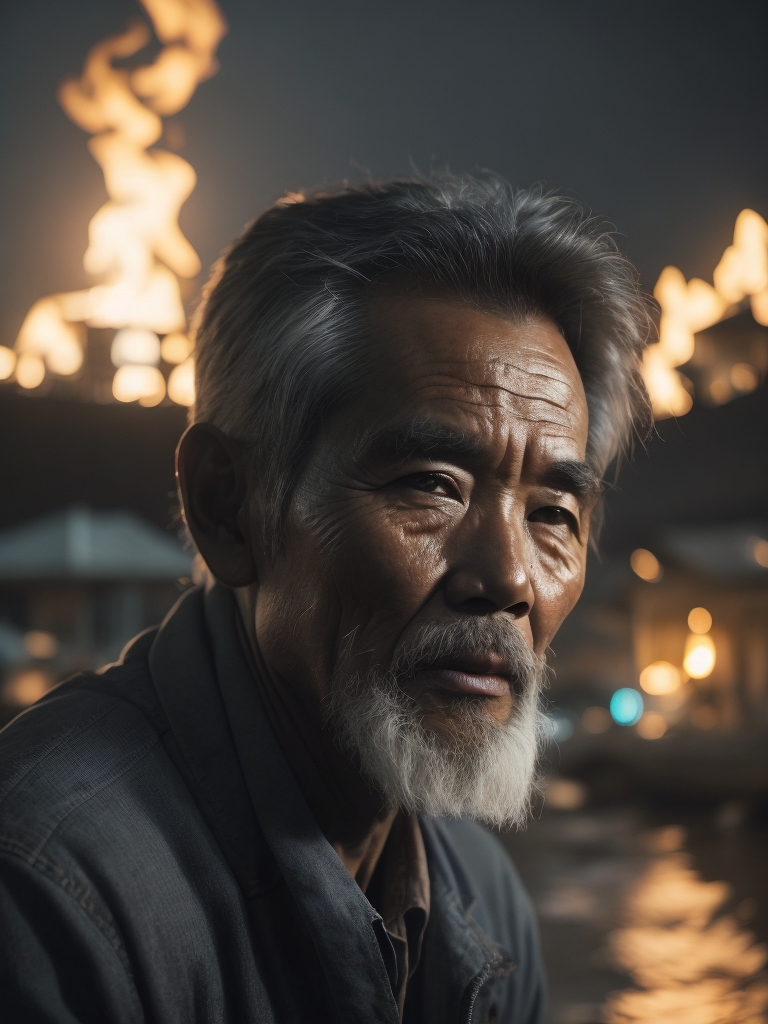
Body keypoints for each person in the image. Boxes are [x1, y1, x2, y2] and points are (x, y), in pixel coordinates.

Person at [0, 173, 651, 1023]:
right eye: (431, 484)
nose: (510, 578)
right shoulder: (48, 894)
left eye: (553, 513)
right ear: (230, 509)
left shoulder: (481, 894)